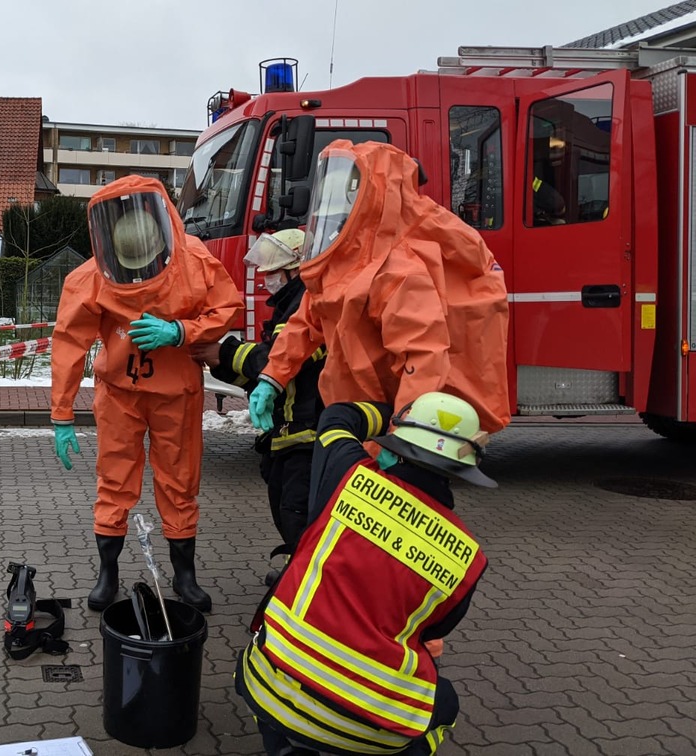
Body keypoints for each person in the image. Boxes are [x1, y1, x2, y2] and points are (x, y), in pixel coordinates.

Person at [237, 391, 495, 755]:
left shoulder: (348, 475)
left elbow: (338, 418)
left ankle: (284, 743)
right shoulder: (468, 557)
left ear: (398, 445)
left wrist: (392, 405)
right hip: (366, 730)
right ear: (463, 469)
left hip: (266, 687)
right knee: (445, 704)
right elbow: (434, 631)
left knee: (279, 705)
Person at [50, 175, 243, 614]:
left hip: (176, 394)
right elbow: (68, 344)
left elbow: (228, 308)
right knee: (114, 481)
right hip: (120, 393)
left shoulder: (194, 261)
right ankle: (108, 573)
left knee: (179, 483)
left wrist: (180, 331)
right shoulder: (92, 278)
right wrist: (61, 416)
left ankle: (185, 576)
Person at [248, 140, 511, 439]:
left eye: (342, 204)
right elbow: (307, 321)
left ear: (368, 198)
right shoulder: (342, 263)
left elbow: (423, 358)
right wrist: (273, 376)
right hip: (353, 417)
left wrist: (404, 435)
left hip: (391, 420)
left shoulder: (398, 270)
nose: (332, 217)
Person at [192, 228, 325, 582]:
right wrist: (221, 363)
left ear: (297, 268)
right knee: (285, 506)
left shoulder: (307, 305)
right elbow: (263, 377)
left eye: (274, 271)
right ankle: (297, 572)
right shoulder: (288, 306)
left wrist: (224, 351)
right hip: (289, 432)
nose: (267, 279)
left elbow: (279, 359)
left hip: (311, 431)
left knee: (297, 511)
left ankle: (307, 587)